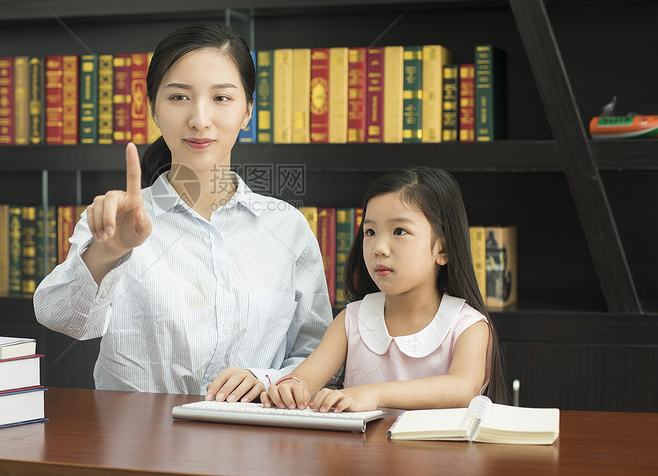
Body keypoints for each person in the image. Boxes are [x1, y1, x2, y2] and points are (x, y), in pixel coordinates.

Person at [33, 22, 333, 402]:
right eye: (179, 97)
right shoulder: (118, 221)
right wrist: (109, 251)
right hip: (138, 446)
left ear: (247, 111)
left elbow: (320, 355)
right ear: (154, 110)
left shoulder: (286, 227)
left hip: (254, 447)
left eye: (222, 98)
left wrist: (267, 379)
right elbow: (61, 318)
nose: (199, 119)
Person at [262, 167, 506, 412]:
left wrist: (372, 394)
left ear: (442, 250)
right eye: (370, 232)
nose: (379, 248)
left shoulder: (467, 325)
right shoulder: (352, 319)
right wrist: (291, 386)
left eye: (399, 231)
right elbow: (305, 379)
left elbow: (462, 389)